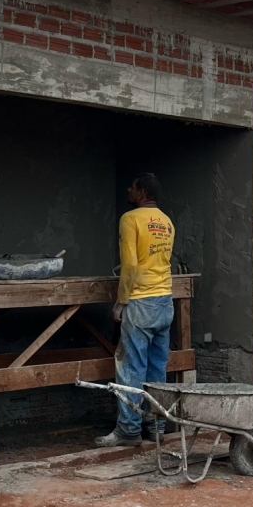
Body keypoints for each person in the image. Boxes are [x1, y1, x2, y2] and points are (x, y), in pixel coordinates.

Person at [95, 173, 175, 447]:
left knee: (130, 368)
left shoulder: (130, 219)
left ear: (140, 192)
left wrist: (121, 301)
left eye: (131, 186)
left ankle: (128, 431)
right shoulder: (166, 221)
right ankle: (156, 427)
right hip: (165, 301)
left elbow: (129, 265)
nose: (128, 190)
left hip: (140, 301)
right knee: (157, 370)